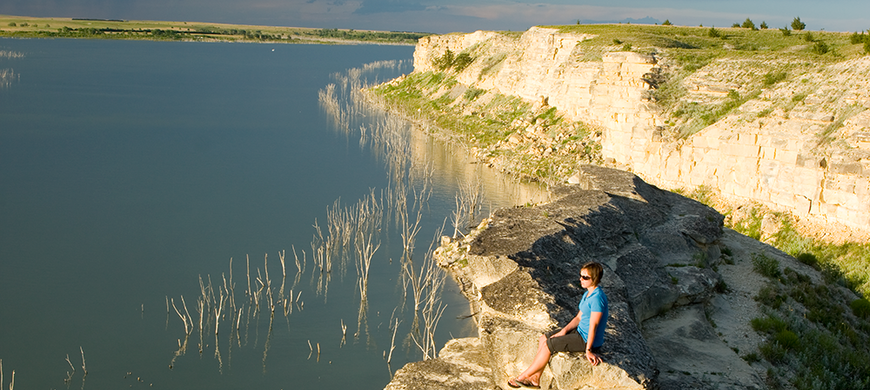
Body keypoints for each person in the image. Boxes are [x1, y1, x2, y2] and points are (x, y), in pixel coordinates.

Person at [508, 262, 609, 389]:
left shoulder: (597, 298)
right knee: (544, 338)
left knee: (549, 345)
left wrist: (588, 350)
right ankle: (535, 379)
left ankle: (522, 377)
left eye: (585, 277)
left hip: (587, 340)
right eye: (581, 276)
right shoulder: (588, 293)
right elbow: (578, 317)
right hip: (580, 332)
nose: (581, 279)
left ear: (594, 279)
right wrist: (563, 331)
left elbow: (593, 325)